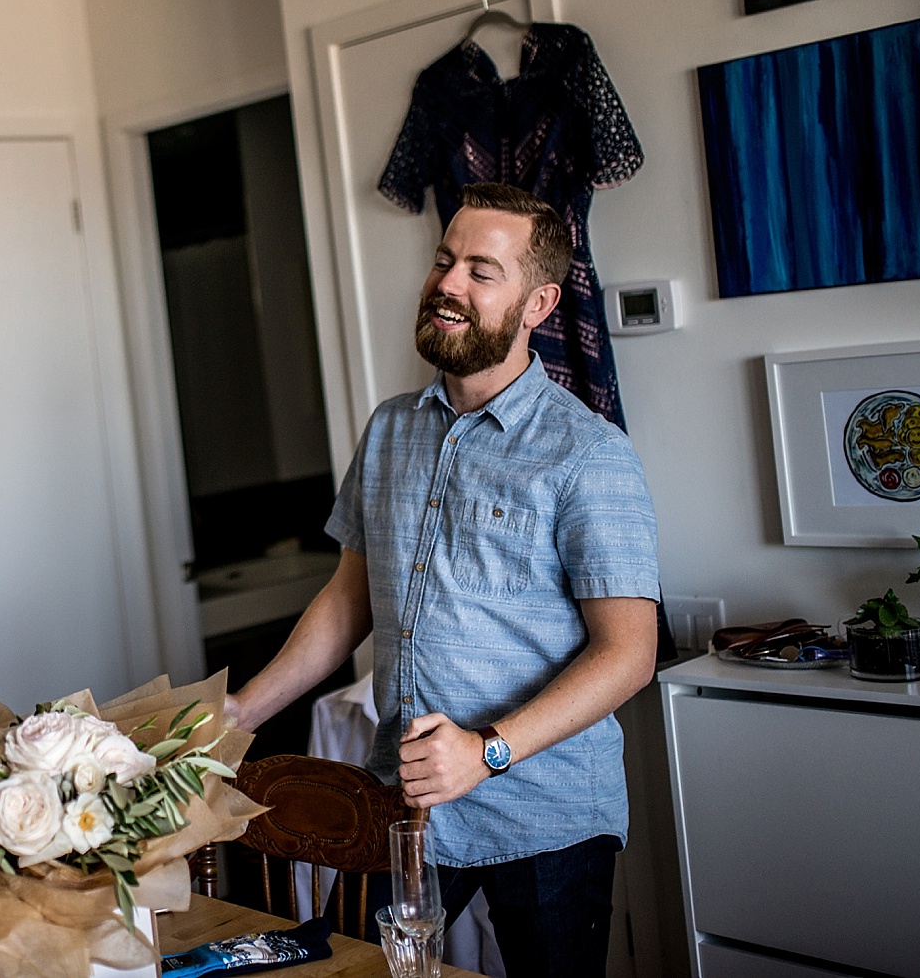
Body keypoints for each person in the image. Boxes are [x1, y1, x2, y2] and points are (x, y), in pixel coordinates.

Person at [227, 184, 660, 977]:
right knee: (355, 969)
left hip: (546, 813)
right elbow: (350, 596)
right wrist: (237, 710)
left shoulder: (589, 454)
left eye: (479, 270)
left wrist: (486, 752)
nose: (447, 283)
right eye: (443, 260)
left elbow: (628, 653)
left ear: (538, 303)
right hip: (407, 804)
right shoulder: (391, 426)